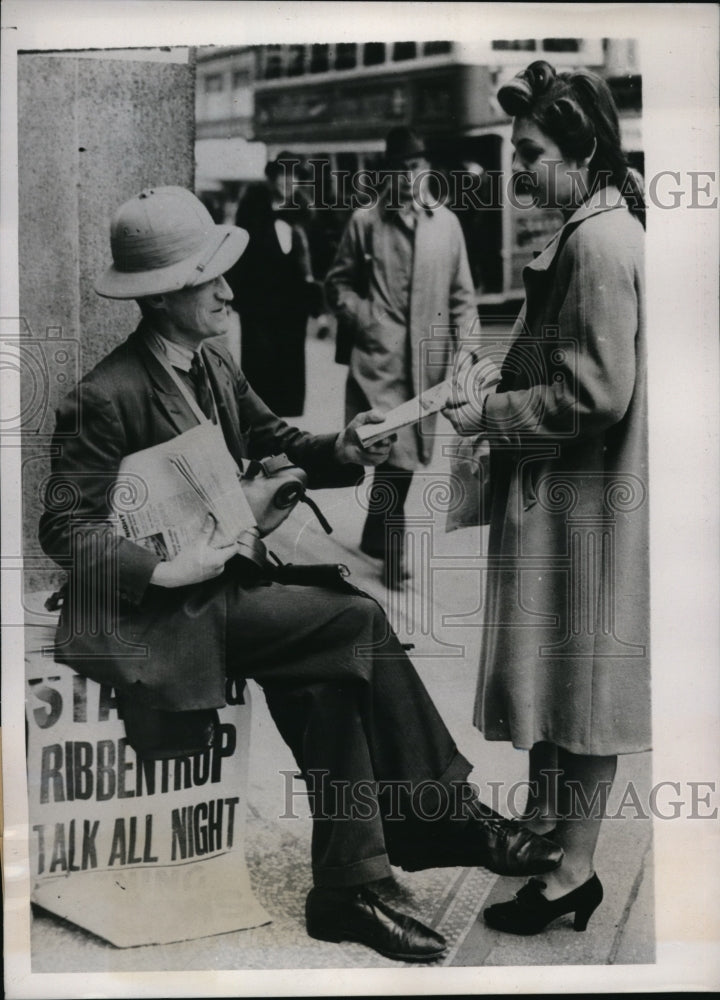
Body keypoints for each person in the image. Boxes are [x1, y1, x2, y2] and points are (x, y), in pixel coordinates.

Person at [39, 185, 562, 962]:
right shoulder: (104, 396)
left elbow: (277, 437)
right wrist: (170, 568)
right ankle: (439, 813)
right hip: (157, 616)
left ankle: (346, 890)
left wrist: (346, 447)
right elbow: (64, 528)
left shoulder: (209, 364)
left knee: (329, 679)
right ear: (161, 298)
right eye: (207, 278)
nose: (227, 289)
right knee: (353, 618)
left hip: (223, 593)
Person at [444, 61, 648, 936]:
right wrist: (506, 370)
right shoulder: (597, 227)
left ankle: (572, 873)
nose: (517, 167)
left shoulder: (599, 242)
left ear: (584, 149)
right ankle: (546, 838)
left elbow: (597, 391)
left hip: (587, 508)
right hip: (578, 501)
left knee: (586, 687)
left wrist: (493, 409)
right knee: (565, 680)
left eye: (529, 150)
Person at [325, 126, 479, 589]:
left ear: (426, 169)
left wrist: (467, 349)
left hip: (425, 364)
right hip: (381, 361)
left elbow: (461, 296)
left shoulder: (447, 224)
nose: (407, 177)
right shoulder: (365, 223)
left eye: (414, 167)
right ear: (386, 174)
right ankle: (392, 552)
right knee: (395, 455)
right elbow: (338, 283)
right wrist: (366, 317)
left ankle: (375, 538)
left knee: (401, 456)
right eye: (398, 169)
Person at [225, 152, 323, 417]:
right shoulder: (253, 209)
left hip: (292, 311)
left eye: (294, 177)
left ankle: (284, 438)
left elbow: (315, 260)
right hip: (258, 309)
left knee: (288, 376)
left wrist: (315, 299)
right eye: (283, 175)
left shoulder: (305, 214)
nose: (288, 183)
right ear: (272, 178)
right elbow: (240, 255)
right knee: (259, 374)